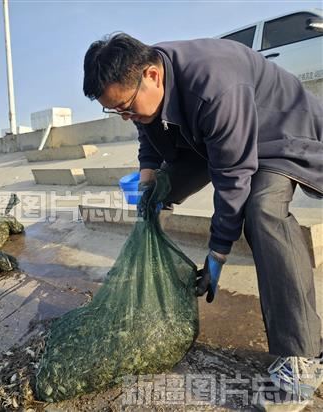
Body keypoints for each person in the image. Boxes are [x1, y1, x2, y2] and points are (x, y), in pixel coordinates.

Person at [82, 33, 323, 403]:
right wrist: (148, 173)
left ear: (152, 76)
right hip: (213, 138)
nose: (126, 116)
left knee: (262, 210)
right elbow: (148, 129)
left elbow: (233, 176)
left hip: (278, 137)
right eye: (117, 112)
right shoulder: (145, 79)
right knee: (154, 194)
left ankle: (302, 358)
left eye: (126, 107)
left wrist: (218, 252)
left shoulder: (214, 85)